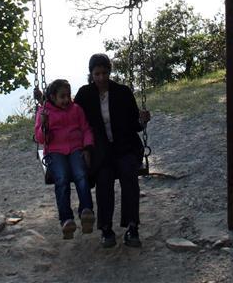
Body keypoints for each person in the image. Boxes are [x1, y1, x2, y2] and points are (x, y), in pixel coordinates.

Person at [74, 53, 151, 249]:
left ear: (110, 72)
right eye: (97, 73)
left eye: (104, 73)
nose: (101, 78)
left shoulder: (123, 92)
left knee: (129, 176)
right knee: (104, 180)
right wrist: (43, 102)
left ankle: (132, 227)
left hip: (125, 146)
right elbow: (72, 119)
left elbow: (135, 125)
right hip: (100, 151)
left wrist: (142, 120)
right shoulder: (84, 95)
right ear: (91, 74)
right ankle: (106, 229)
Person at [34, 78, 96, 239]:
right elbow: (40, 138)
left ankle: (86, 211)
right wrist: (44, 125)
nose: (66, 100)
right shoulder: (44, 112)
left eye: (68, 96)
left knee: (81, 175)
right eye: (62, 96)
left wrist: (88, 148)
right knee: (61, 178)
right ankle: (66, 219)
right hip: (55, 151)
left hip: (76, 148)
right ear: (53, 97)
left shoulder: (76, 110)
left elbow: (86, 129)